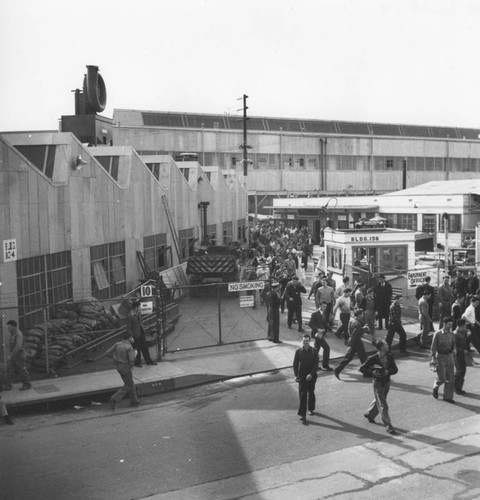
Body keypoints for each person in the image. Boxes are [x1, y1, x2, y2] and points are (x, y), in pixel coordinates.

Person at [359, 339, 398, 434]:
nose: (388, 345)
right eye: (385, 344)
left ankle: (369, 414)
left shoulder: (389, 357)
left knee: (380, 400)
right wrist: (372, 373)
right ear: (381, 347)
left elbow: (395, 369)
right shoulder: (373, 358)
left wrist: (388, 371)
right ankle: (388, 425)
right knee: (383, 405)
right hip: (378, 383)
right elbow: (362, 368)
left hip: (387, 382)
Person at [334, 309, 370, 380]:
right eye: (362, 314)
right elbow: (355, 334)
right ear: (359, 315)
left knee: (348, 358)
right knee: (363, 357)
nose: (362, 316)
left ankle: (337, 369)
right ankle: (365, 372)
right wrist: (365, 329)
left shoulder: (351, 320)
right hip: (356, 342)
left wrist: (362, 329)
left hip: (353, 342)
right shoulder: (358, 324)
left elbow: (352, 332)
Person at [108, 331, 140, 409]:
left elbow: (108, 352)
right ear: (129, 338)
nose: (132, 339)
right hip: (126, 367)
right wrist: (135, 354)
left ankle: (134, 400)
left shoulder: (117, 344)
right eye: (131, 337)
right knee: (128, 385)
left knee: (130, 383)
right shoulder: (129, 347)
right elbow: (131, 360)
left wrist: (115, 357)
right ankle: (114, 398)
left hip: (119, 366)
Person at [293, 333, 319, 423]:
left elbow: (316, 364)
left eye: (307, 341)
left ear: (310, 341)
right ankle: (303, 414)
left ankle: (311, 409)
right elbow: (295, 364)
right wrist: (296, 375)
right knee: (303, 394)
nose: (305, 343)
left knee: (311, 392)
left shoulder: (314, 351)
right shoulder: (298, 351)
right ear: (302, 341)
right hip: (302, 375)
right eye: (304, 341)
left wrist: (311, 374)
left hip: (311, 375)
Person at [430, 317, 456, 403]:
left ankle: (448, 397)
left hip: (450, 357)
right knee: (442, 378)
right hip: (440, 357)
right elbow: (433, 347)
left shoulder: (452, 334)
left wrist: (454, 350)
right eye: (449, 324)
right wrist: (433, 358)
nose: (451, 326)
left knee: (451, 378)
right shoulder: (437, 334)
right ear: (444, 324)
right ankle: (435, 387)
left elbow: (453, 344)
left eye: (451, 325)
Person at [2, 320, 32, 391]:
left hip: (19, 355)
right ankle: (8, 385)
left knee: (22, 370)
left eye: (9, 327)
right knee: (9, 369)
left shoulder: (19, 334)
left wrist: (11, 355)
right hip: (14, 355)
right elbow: (13, 344)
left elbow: (18, 346)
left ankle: (27, 384)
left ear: (14, 326)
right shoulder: (13, 334)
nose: (8, 329)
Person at [128, 300, 157, 367]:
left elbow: (141, 322)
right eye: (139, 307)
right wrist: (130, 337)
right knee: (137, 349)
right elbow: (129, 327)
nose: (140, 308)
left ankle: (149, 361)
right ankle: (137, 362)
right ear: (135, 307)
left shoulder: (139, 313)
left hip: (141, 332)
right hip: (135, 334)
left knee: (145, 347)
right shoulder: (130, 316)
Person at [308, 302, 332, 371]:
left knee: (316, 350)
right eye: (323, 306)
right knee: (327, 348)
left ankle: (313, 365)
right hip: (317, 335)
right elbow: (310, 324)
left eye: (326, 306)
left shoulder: (323, 313)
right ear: (320, 306)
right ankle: (325, 365)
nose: (325, 308)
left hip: (321, 334)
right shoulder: (315, 314)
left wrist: (330, 328)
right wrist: (317, 329)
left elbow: (324, 322)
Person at [453, 318, 469, 395]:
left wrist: (468, 332)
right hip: (457, 355)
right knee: (459, 371)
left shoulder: (463, 331)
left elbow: (468, 332)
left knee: (463, 370)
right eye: (465, 325)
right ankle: (456, 388)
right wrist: (463, 350)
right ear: (461, 326)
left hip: (462, 354)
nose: (466, 326)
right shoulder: (456, 334)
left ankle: (459, 388)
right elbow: (454, 346)